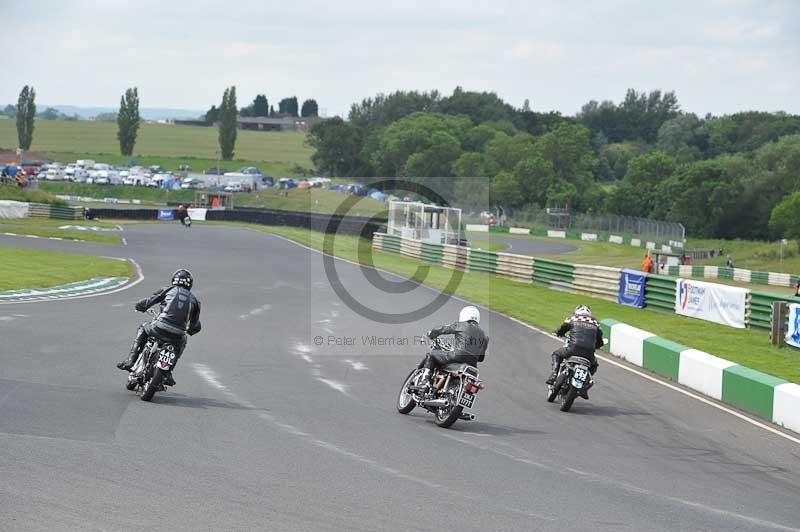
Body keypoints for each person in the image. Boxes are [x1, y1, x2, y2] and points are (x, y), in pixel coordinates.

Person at [117, 269, 201, 386]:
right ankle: (168, 373)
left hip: (159, 327)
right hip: (178, 335)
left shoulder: (168, 289)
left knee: (143, 327)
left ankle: (131, 360)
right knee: (183, 342)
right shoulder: (196, 301)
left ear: (174, 280)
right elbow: (195, 325)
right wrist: (191, 330)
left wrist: (140, 306)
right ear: (190, 284)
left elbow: (150, 301)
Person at [412, 306, 489, 391]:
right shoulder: (485, 336)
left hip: (457, 356)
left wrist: (431, 334)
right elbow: (481, 358)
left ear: (464, 315)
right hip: (472, 364)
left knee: (432, 354)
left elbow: (443, 329)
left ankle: (424, 382)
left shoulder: (461, 325)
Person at [547, 305, 604, 399]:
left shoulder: (573, 318)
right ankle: (584, 386)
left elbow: (562, 329)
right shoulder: (595, 322)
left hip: (572, 349)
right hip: (589, 354)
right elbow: (600, 342)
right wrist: (597, 346)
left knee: (556, 354)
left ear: (576, 312)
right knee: (594, 365)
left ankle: (554, 375)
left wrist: (558, 333)